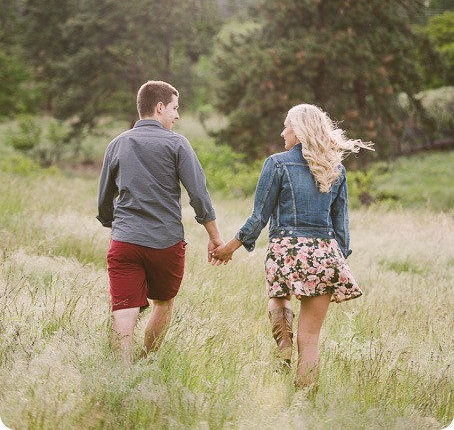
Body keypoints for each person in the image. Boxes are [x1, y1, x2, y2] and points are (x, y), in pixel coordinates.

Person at [212, 103, 373, 388]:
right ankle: (303, 402)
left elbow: (258, 217)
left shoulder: (276, 163)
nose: (282, 131)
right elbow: (342, 231)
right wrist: (335, 263)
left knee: (278, 296)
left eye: (286, 125)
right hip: (325, 254)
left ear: (297, 131)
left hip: (286, 250)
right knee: (310, 340)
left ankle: (283, 344)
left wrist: (228, 247)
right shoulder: (335, 168)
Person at [97, 80, 224, 362]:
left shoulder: (117, 144)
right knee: (164, 303)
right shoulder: (178, 144)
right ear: (159, 107)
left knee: (123, 308)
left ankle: (121, 371)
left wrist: (118, 226)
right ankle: (144, 361)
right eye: (175, 108)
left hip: (125, 241)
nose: (177, 115)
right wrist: (215, 237)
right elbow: (199, 195)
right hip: (165, 243)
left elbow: (104, 202)